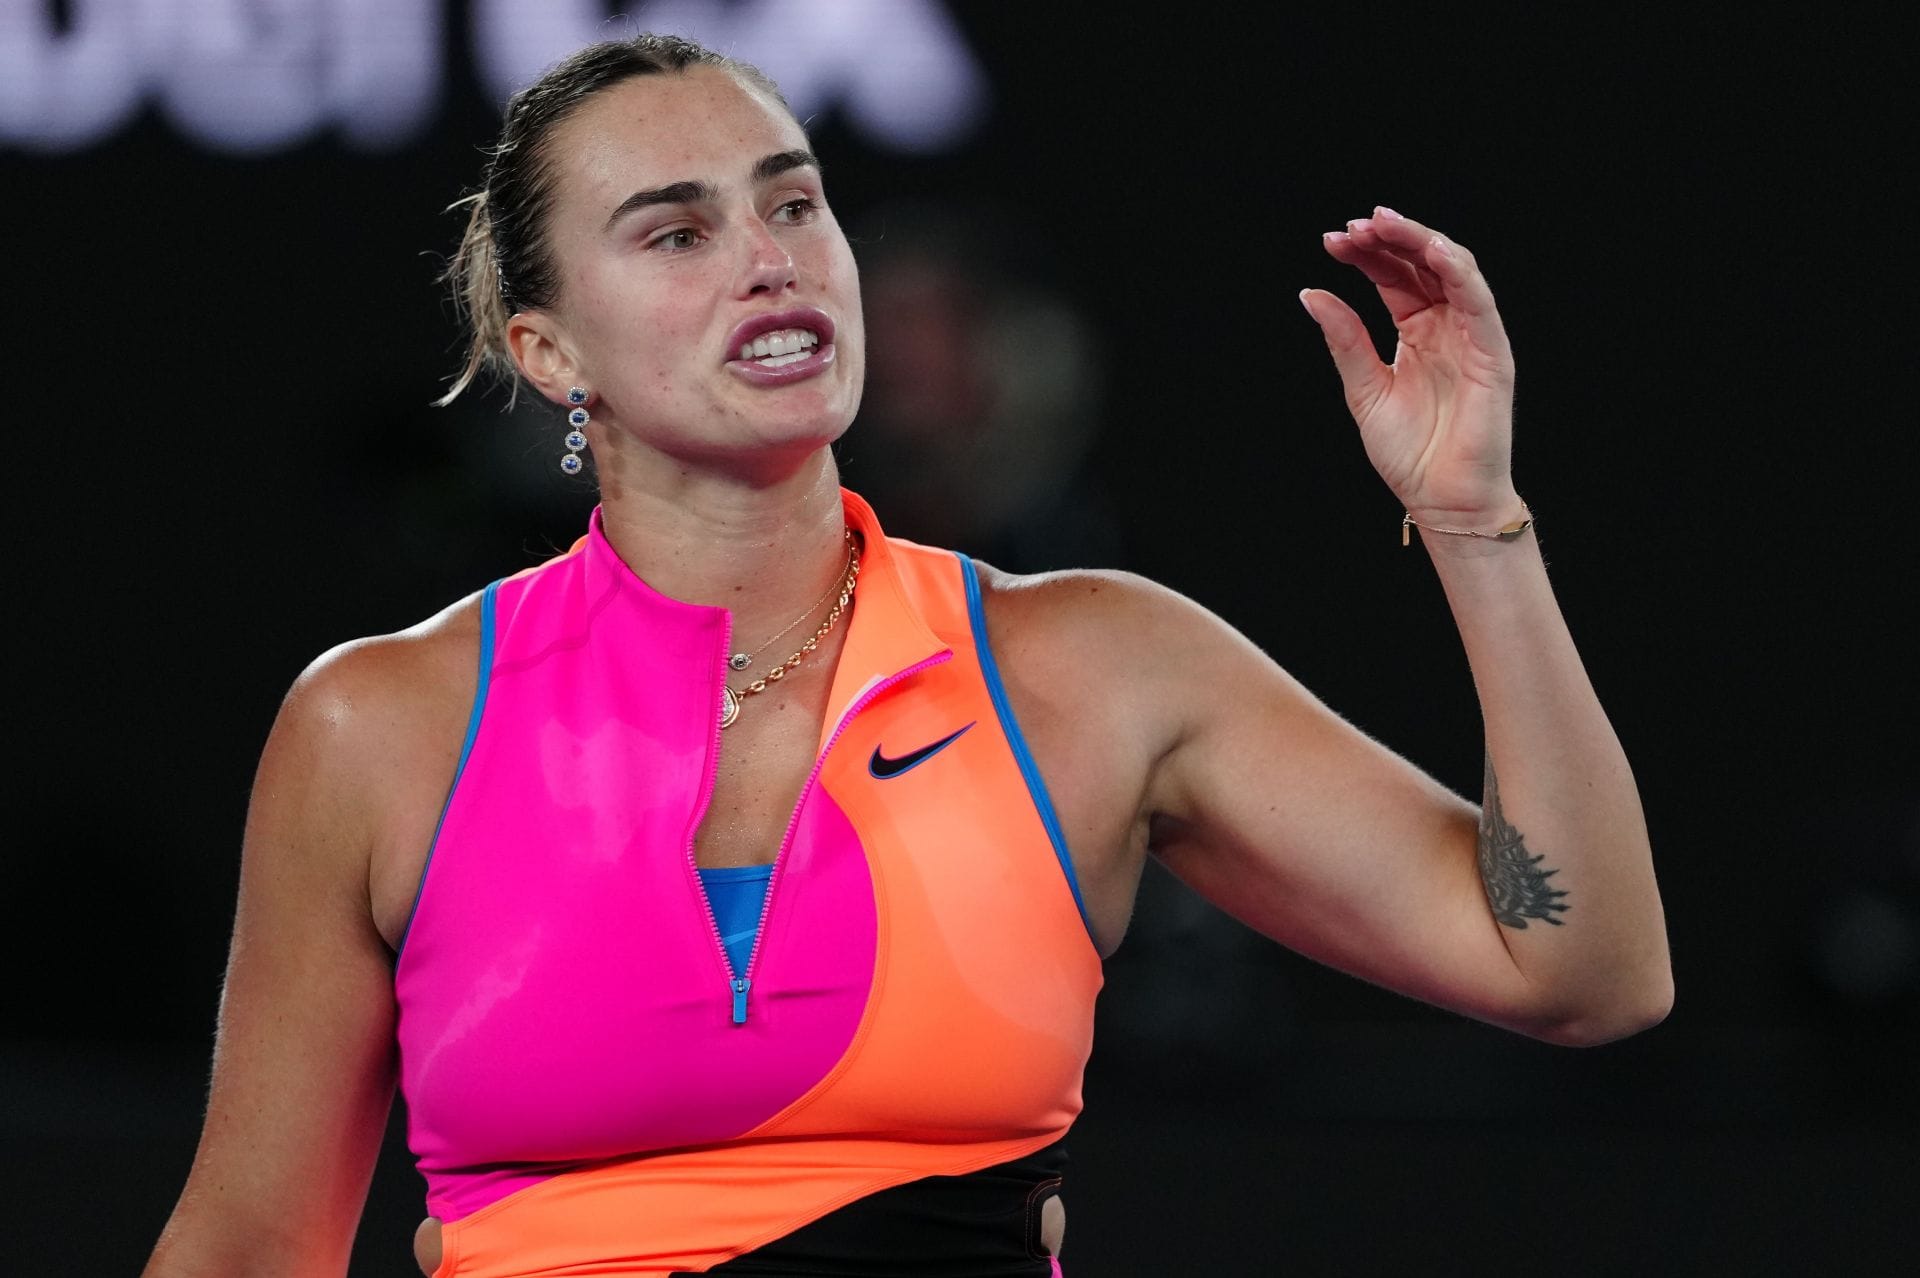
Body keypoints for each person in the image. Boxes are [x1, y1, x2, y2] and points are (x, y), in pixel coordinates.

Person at [142, 32, 1672, 1278]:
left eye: (795, 204)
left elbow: (1583, 965)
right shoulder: (382, 724)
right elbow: (251, 1240)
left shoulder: (1091, 664)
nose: (770, 259)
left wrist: (1477, 523)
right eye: (679, 229)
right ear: (549, 350)